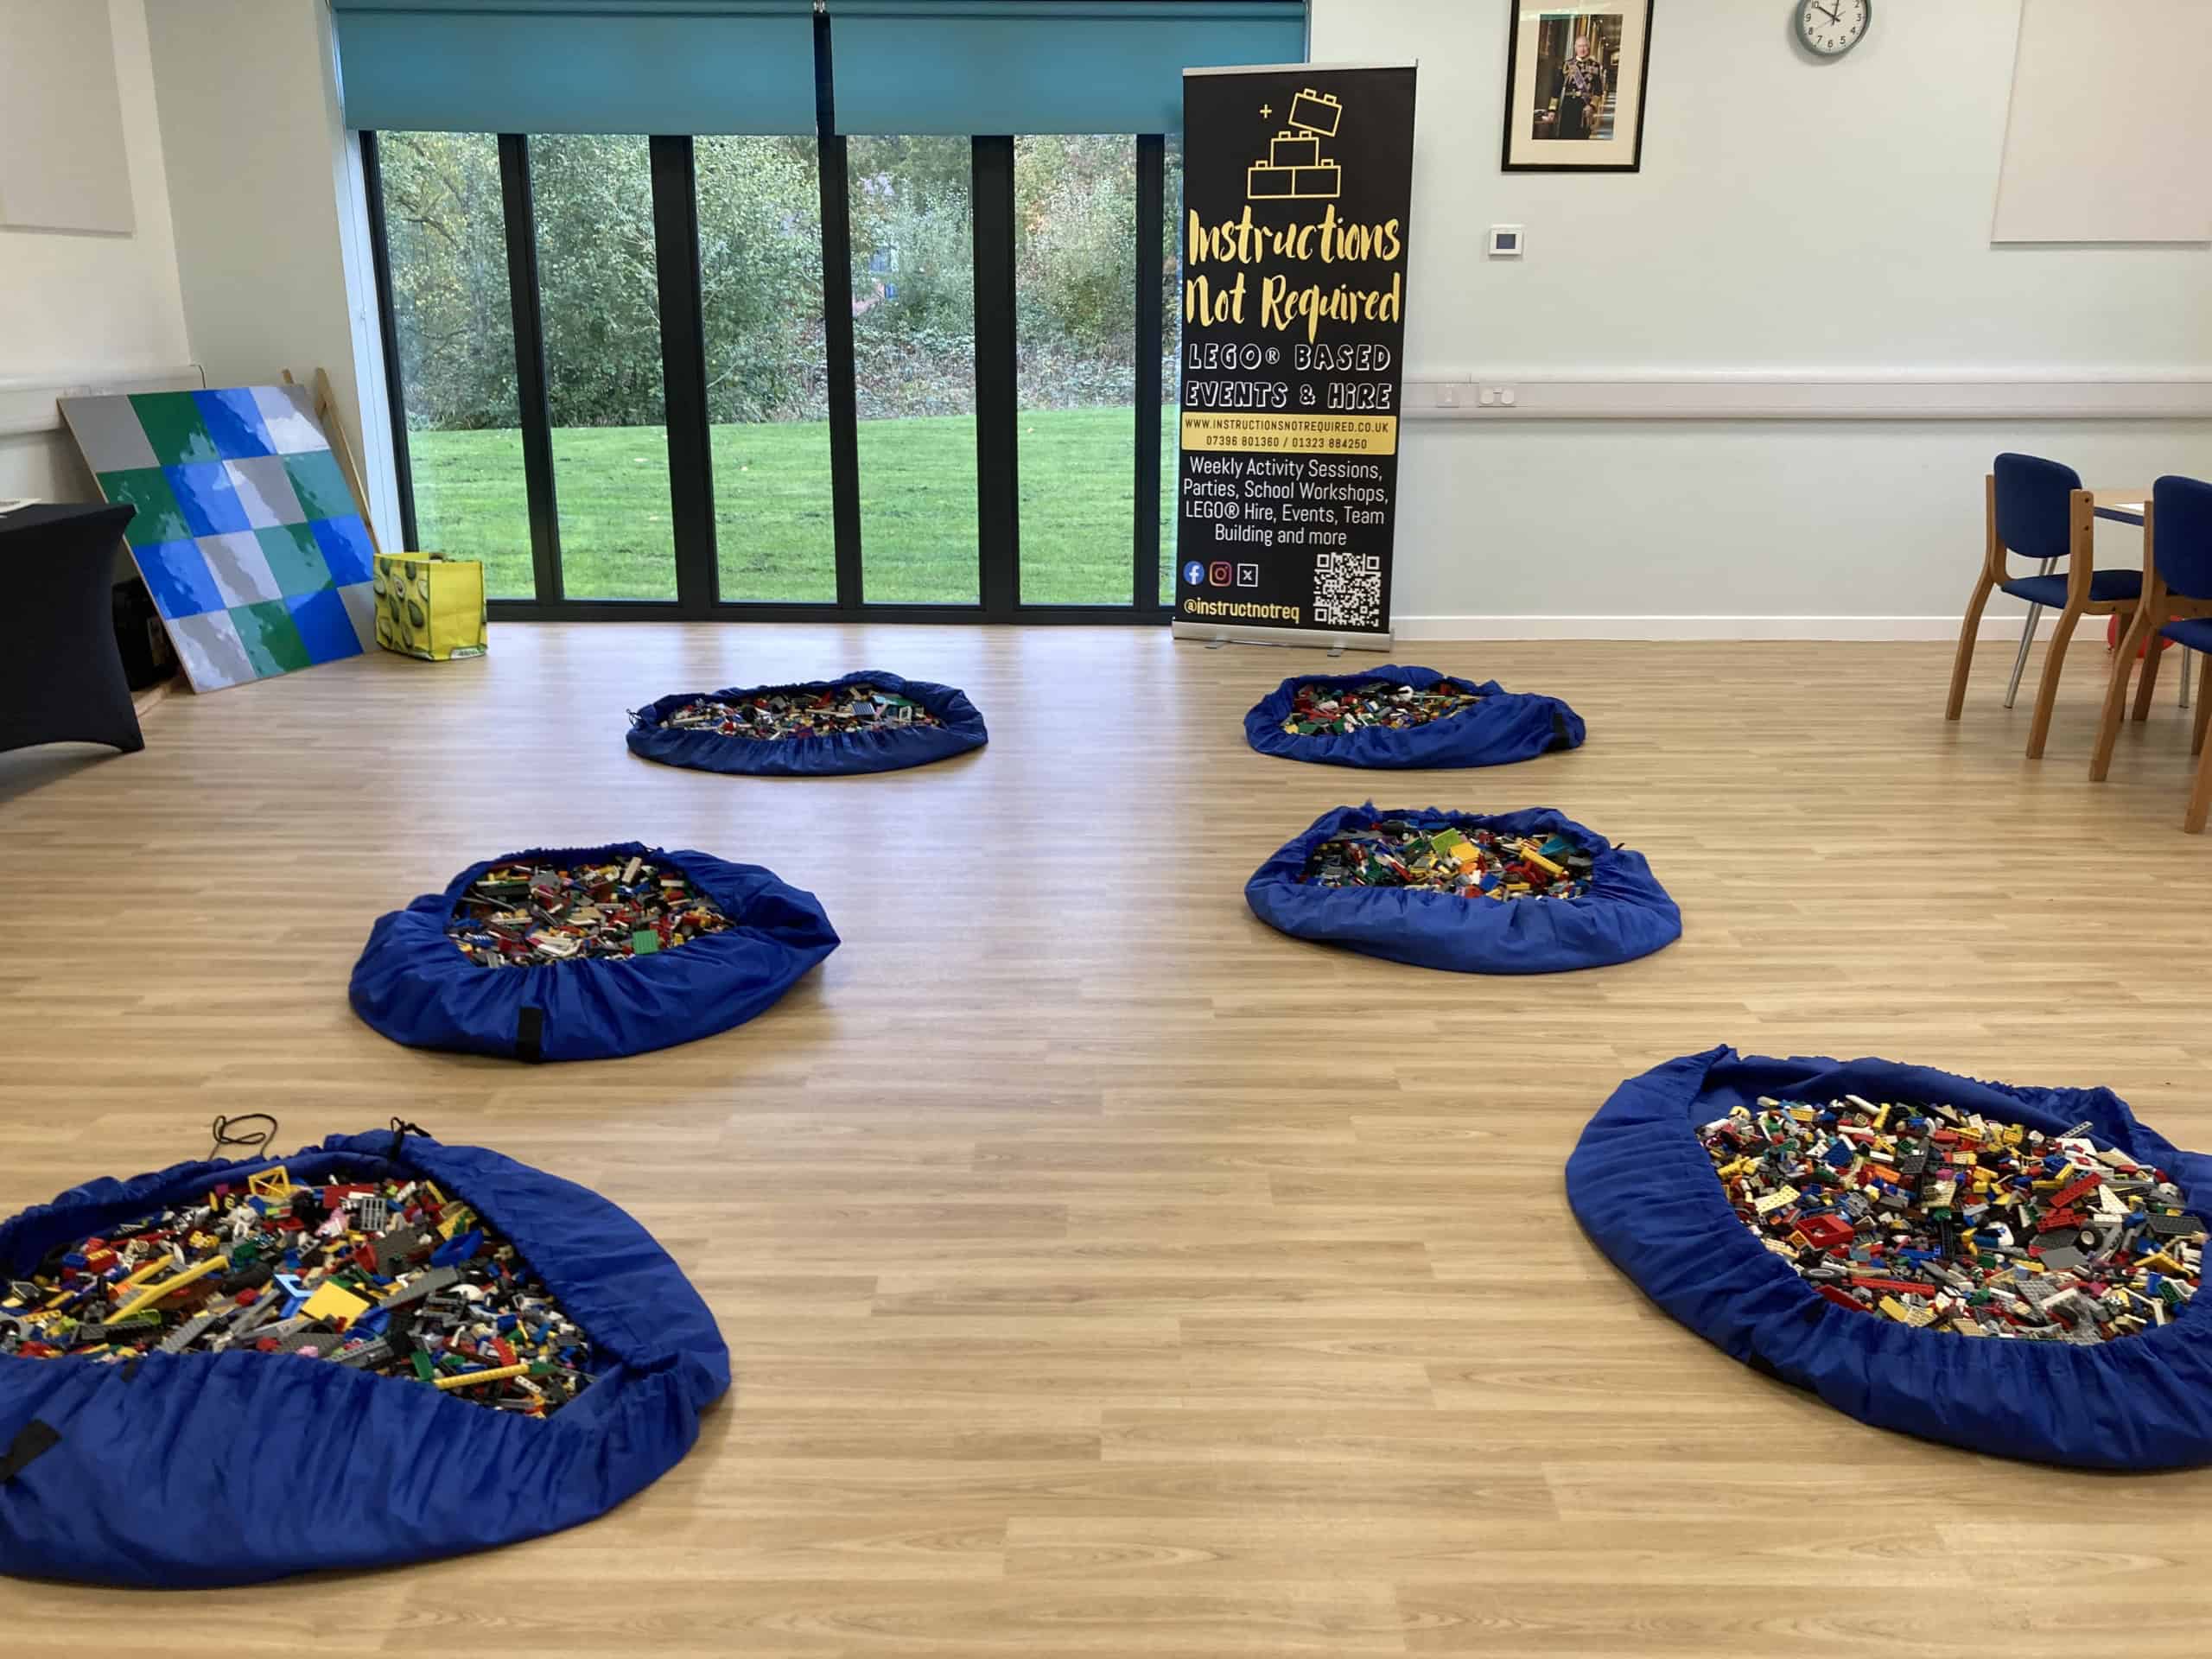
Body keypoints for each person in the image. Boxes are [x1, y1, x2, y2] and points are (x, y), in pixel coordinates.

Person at [1551, 33, 1607, 140]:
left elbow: (1598, 91)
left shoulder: (1595, 66)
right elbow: (1556, 89)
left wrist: (1592, 106)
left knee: (1581, 138)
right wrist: (1552, 110)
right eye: (1580, 46)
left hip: (1584, 109)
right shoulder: (1567, 64)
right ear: (1575, 48)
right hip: (1568, 107)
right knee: (1565, 137)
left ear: (1589, 47)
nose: (1582, 49)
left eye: (1585, 46)